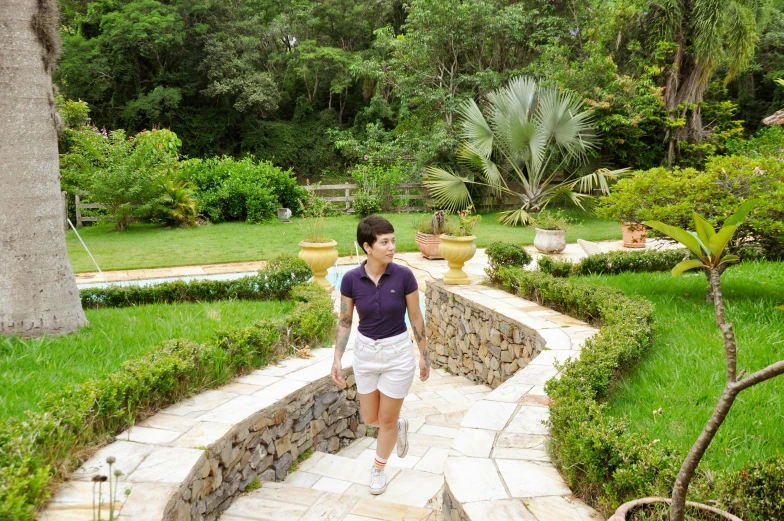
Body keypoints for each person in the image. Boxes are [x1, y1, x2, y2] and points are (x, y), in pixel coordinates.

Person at [330, 215, 430, 495]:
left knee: (383, 421)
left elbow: (416, 317)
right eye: (384, 242)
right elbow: (345, 320)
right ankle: (397, 425)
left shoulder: (404, 275)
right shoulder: (351, 279)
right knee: (369, 417)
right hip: (365, 353)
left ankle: (378, 468)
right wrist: (337, 358)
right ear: (367, 247)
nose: (391, 247)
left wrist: (424, 355)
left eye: (393, 241)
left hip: (397, 353)